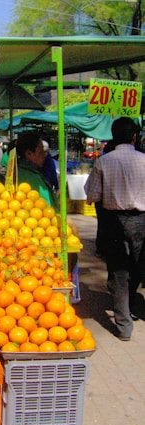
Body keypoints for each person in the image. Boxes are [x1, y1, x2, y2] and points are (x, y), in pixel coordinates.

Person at [84, 117, 145, 341]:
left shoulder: (103, 162)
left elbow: (92, 195)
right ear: (134, 137)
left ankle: (124, 327)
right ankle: (134, 303)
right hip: (142, 222)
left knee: (119, 273)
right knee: (138, 268)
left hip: (113, 222)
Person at [16, 131, 59, 211]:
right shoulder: (29, 177)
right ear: (29, 153)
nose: (44, 156)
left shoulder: (23, 171)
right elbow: (45, 206)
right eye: (41, 152)